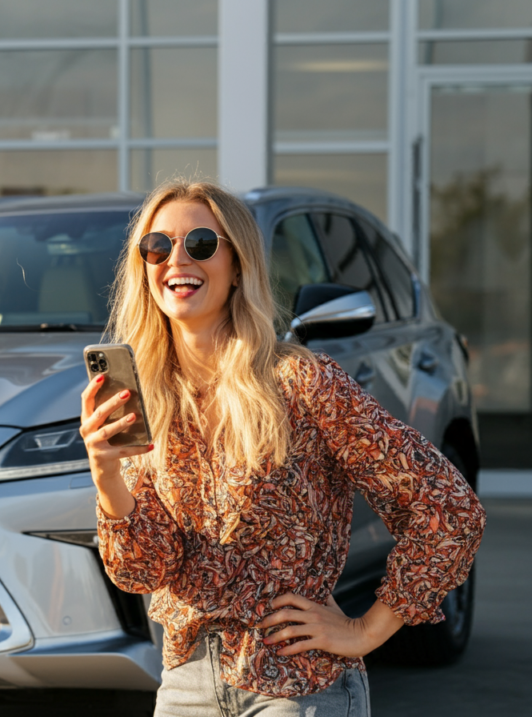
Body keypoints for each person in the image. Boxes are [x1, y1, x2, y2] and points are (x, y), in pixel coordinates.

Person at [79, 180, 485, 716]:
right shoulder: (148, 394)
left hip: (297, 686)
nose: (176, 258)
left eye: (200, 243)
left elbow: (448, 507)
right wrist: (107, 477)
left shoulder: (301, 383)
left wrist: (366, 629)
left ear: (239, 263)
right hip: (187, 683)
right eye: (157, 246)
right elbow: (144, 570)